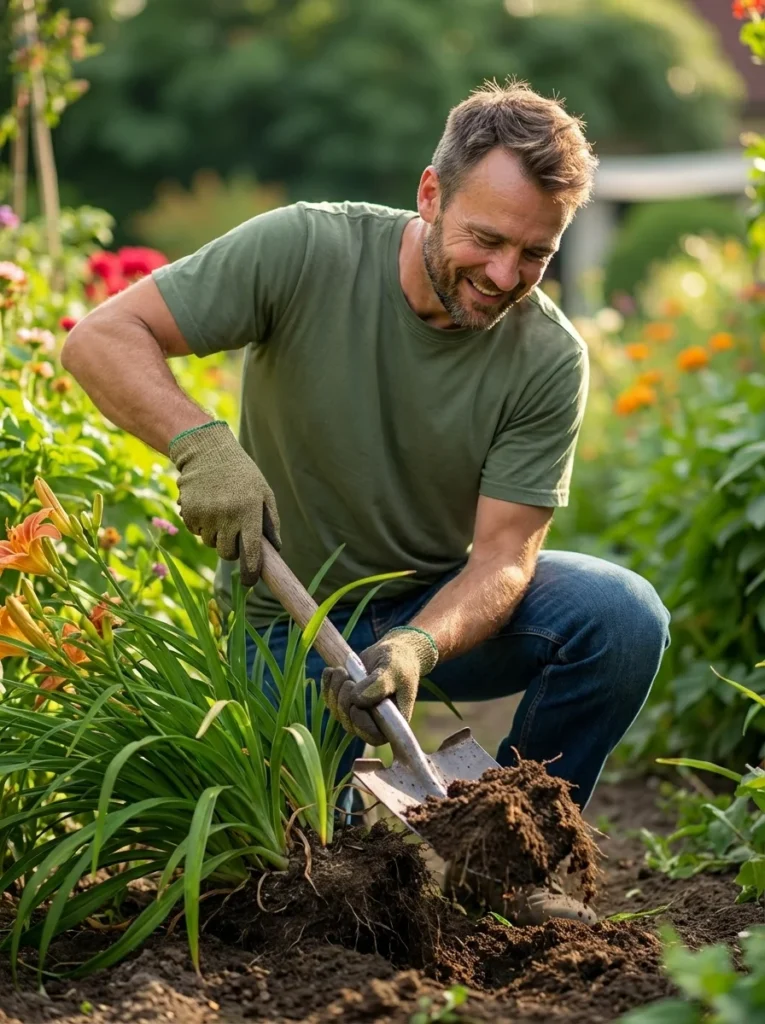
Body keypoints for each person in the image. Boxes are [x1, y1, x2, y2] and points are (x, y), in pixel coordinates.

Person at [62, 80, 670, 925]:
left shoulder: (545, 357)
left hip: (427, 609)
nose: (504, 276)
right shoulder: (306, 250)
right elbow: (100, 338)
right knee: (331, 881)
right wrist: (198, 443)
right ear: (429, 194)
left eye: (534, 254)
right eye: (486, 239)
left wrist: (418, 643)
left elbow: (504, 556)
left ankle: (511, 865)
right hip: (289, 622)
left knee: (621, 615)